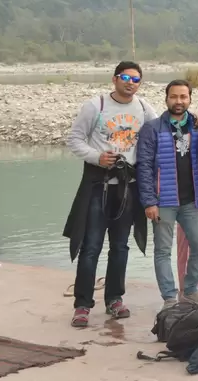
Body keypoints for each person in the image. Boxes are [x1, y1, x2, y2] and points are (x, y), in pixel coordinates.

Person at [64, 61, 158, 327]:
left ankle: (114, 299)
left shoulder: (143, 108)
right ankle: (82, 304)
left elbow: (159, 133)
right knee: (90, 246)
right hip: (98, 186)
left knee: (120, 246)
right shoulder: (96, 106)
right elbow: (75, 139)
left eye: (136, 79)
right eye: (126, 77)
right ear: (114, 79)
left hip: (128, 187)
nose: (131, 82)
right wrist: (97, 157)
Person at [136, 79, 198, 309]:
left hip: (193, 201)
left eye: (183, 97)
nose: (179, 101)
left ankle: (190, 291)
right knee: (162, 251)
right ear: (166, 98)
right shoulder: (152, 128)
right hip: (163, 202)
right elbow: (144, 166)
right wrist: (149, 201)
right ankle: (169, 298)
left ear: (190, 99)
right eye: (174, 97)